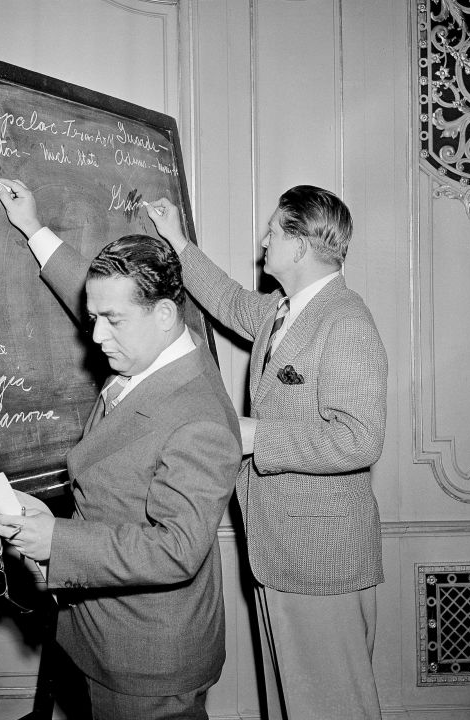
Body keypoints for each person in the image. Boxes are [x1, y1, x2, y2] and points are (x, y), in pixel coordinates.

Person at [0, 178, 242, 720]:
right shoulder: (156, 347)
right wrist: (33, 228)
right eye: (94, 316)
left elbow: (176, 548)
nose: (97, 336)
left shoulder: (199, 417)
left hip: (149, 663)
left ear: (166, 314)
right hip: (105, 637)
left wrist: (58, 539)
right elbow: (97, 293)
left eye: (112, 321)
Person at [146, 186, 389, 720]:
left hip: (321, 558)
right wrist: (177, 241)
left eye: (275, 231)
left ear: (301, 245)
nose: (263, 241)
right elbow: (231, 300)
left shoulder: (343, 320)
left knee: (332, 709)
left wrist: (260, 437)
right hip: (281, 548)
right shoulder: (287, 311)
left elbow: (360, 438)